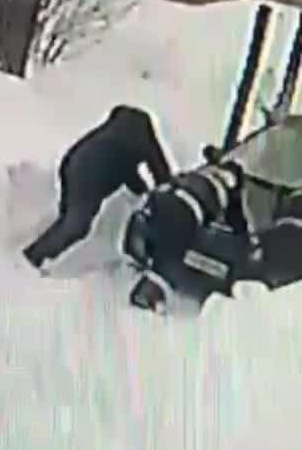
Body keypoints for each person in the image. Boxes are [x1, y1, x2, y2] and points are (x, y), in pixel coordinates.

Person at [23, 105, 172, 271]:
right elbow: (161, 174)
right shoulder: (145, 145)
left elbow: (128, 172)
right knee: (77, 226)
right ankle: (32, 259)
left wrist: (143, 192)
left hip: (72, 160)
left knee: (68, 218)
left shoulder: (123, 138)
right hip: (89, 176)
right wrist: (163, 194)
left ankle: (42, 249)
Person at [125, 156, 249, 313]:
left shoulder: (199, 173)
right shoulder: (230, 190)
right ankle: (147, 297)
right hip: (183, 213)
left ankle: (141, 268)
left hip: (158, 202)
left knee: (163, 245)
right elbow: (238, 229)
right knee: (171, 259)